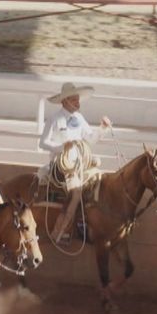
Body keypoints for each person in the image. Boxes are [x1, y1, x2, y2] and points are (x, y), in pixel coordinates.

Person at [38, 82, 112, 246]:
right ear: (65, 101)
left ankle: (86, 222)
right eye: (74, 99)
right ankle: (60, 231)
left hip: (80, 163)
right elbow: (43, 143)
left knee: (97, 181)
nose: (78, 102)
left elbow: (90, 139)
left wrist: (102, 129)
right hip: (62, 165)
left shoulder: (79, 118)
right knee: (76, 192)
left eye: (77, 99)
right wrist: (61, 147)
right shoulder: (54, 119)